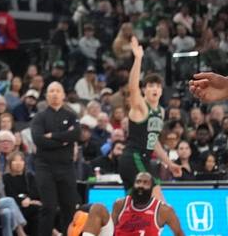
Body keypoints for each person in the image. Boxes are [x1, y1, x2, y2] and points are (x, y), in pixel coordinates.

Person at [120, 37, 180, 191]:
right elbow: (133, 88)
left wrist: (169, 163)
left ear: (161, 91)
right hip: (133, 157)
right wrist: (138, 59)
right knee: (157, 199)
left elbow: (153, 142)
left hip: (144, 160)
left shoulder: (161, 111)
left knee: (136, 203)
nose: (155, 89)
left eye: (158, 86)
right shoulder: (141, 107)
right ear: (144, 90)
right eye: (151, 86)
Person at [30, 82, 80, 236]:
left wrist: (52, 135)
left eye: (58, 91)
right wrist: (64, 140)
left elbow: (76, 134)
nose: (55, 94)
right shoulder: (39, 117)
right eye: (51, 91)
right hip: (45, 167)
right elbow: (39, 140)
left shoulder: (71, 116)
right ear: (46, 96)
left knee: (69, 207)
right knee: (49, 207)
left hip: (66, 167)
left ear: (63, 95)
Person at [66, 173, 184, 236]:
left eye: (145, 183)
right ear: (133, 185)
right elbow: (111, 230)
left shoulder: (164, 210)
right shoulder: (120, 204)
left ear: (152, 188)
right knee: (97, 208)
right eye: (138, 182)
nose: (141, 185)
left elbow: (179, 233)